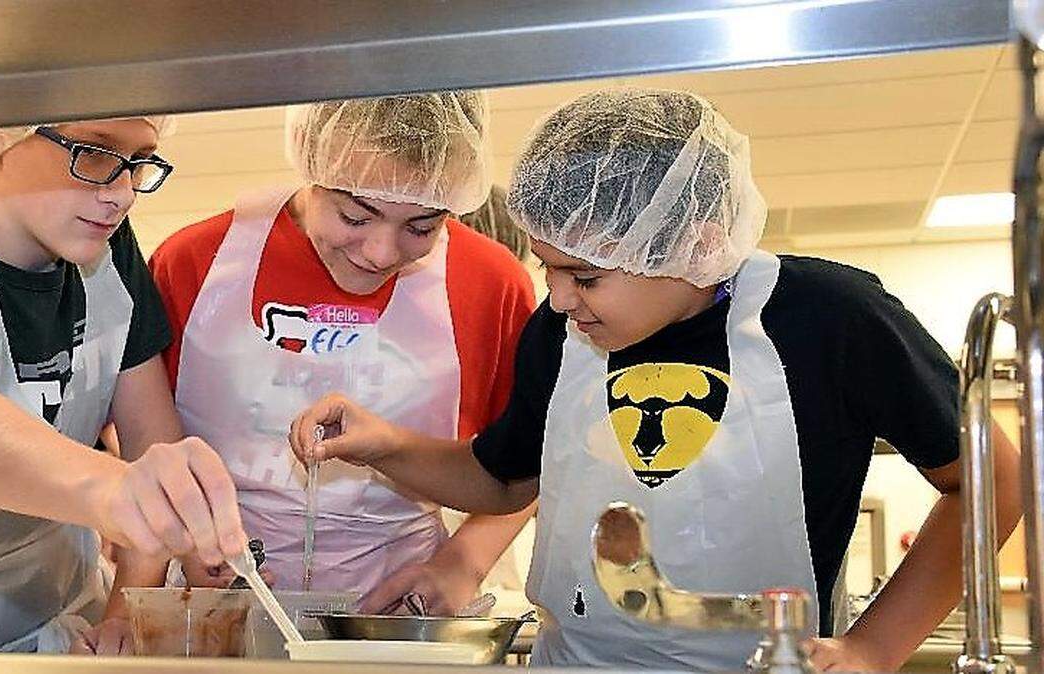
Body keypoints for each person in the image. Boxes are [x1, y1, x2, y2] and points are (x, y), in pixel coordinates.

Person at [288, 88, 1024, 671]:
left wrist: (872, 649)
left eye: (585, 275)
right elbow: (506, 481)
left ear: (691, 242)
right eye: (550, 266)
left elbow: (994, 481)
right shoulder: (562, 331)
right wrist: (384, 444)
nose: (556, 297)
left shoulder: (830, 317)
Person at [0, 117, 248, 652]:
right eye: (95, 153)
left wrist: (125, 611)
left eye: (138, 163)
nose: (123, 193)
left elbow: (152, 437)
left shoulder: (109, 256)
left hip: (70, 612)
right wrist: (115, 489)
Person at [146, 91, 537, 616]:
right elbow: (139, 435)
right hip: (213, 612)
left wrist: (461, 564)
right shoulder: (196, 262)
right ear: (314, 160)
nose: (380, 252)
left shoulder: (491, 282)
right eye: (355, 216)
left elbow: (530, 464)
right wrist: (189, 539)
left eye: (422, 226)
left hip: (396, 619)